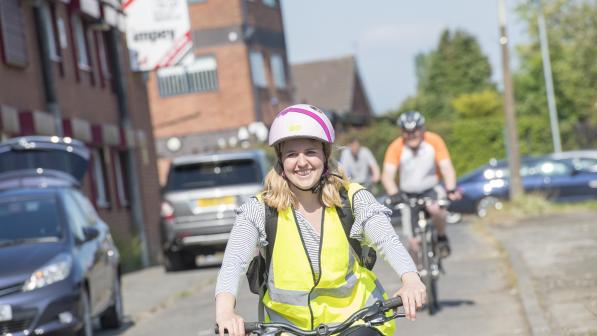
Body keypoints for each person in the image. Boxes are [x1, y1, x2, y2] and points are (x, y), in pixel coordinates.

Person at [215, 104, 425, 336]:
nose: (302, 162)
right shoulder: (261, 209)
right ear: (281, 161)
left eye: (311, 152)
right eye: (292, 154)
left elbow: (386, 240)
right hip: (288, 330)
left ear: (325, 155)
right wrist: (225, 311)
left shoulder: (353, 199)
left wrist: (411, 279)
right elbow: (234, 260)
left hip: (356, 323)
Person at [381, 111, 461, 259]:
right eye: (407, 132)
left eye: (415, 131)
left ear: (422, 129)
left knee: (436, 209)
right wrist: (393, 193)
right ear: (402, 132)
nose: (411, 135)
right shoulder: (396, 146)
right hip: (407, 194)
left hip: (430, 189)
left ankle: (442, 238)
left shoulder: (434, 141)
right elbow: (387, 175)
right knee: (412, 242)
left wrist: (450, 188)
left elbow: (446, 167)